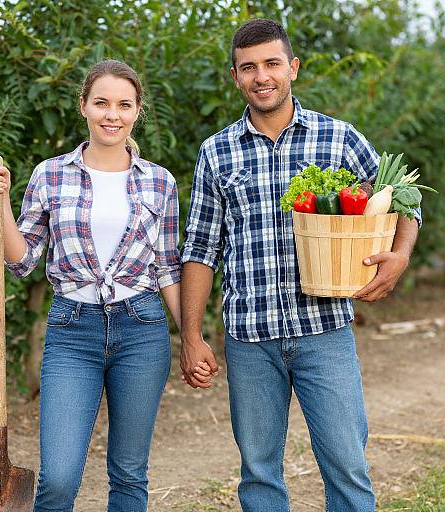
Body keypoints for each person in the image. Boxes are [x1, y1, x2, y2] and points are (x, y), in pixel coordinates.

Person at [180, 19, 420, 512]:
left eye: (271, 63)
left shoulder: (339, 139)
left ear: (293, 68)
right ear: (235, 77)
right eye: (248, 68)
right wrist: (191, 335)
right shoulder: (216, 153)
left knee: (347, 467)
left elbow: (405, 202)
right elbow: (201, 248)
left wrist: (399, 256)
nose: (261, 76)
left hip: (324, 329)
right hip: (250, 338)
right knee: (260, 475)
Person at [0, 59, 181, 512]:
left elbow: (168, 269)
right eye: (102, 103)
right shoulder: (50, 174)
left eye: (124, 105)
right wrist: (2, 200)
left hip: (142, 329)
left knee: (129, 474)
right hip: (73, 332)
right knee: (59, 479)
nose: (113, 114)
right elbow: (22, 259)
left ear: (137, 111)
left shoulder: (160, 182)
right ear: (84, 107)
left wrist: (191, 336)